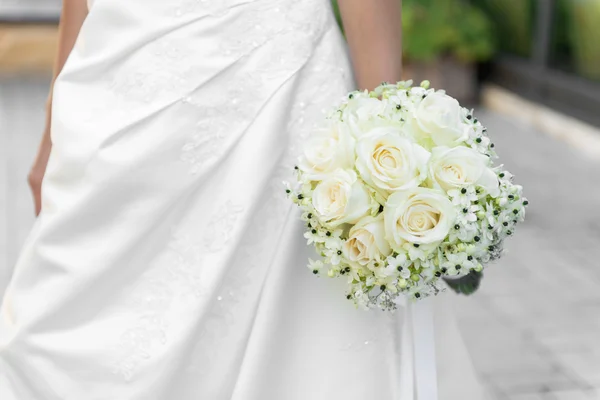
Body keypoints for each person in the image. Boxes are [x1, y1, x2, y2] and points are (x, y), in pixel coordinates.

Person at [0, 0, 488, 398]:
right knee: (60, 327)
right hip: (117, 79)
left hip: (273, 88)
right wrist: (52, 119)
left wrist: (386, 137)